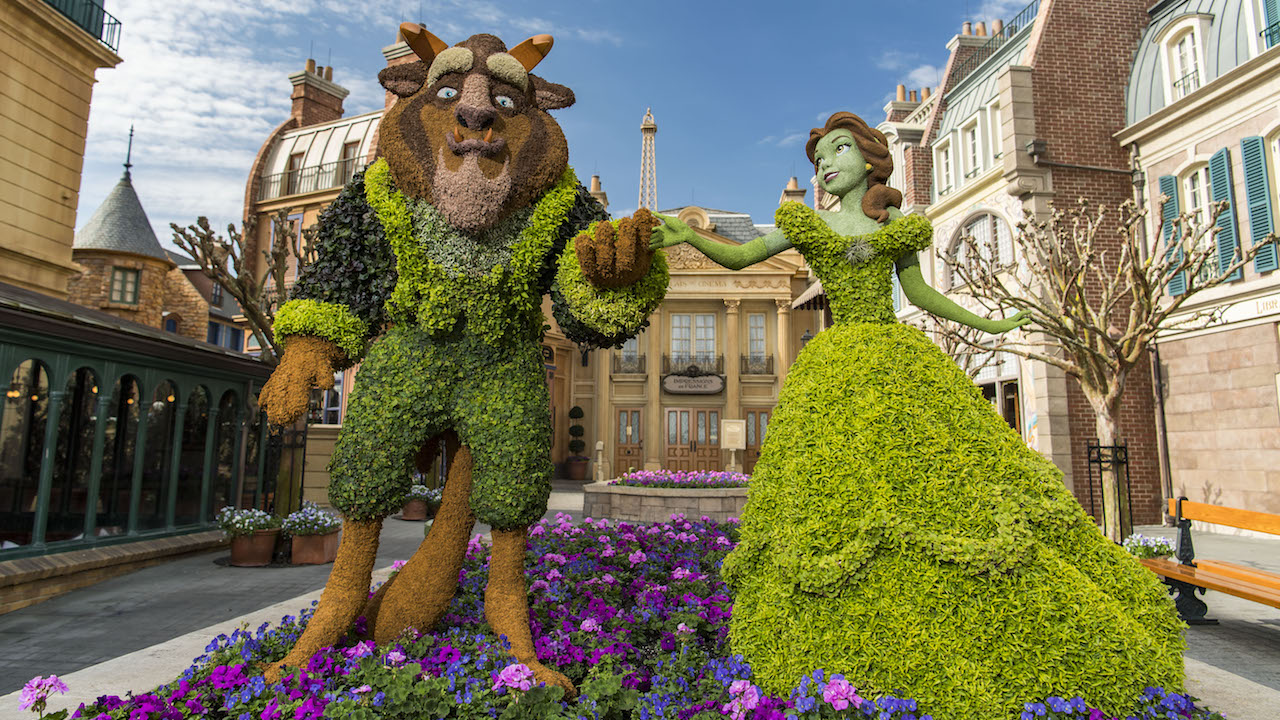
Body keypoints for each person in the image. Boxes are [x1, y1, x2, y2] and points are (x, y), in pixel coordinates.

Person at [649, 112, 1182, 720]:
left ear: (871, 160)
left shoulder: (894, 225)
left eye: (839, 150)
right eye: (820, 155)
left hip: (894, 357)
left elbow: (922, 293)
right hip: (836, 366)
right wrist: (687, 236)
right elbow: (743, 257)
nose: (826, 163)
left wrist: (988, 321)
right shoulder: (809, 222)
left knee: (935, 469)